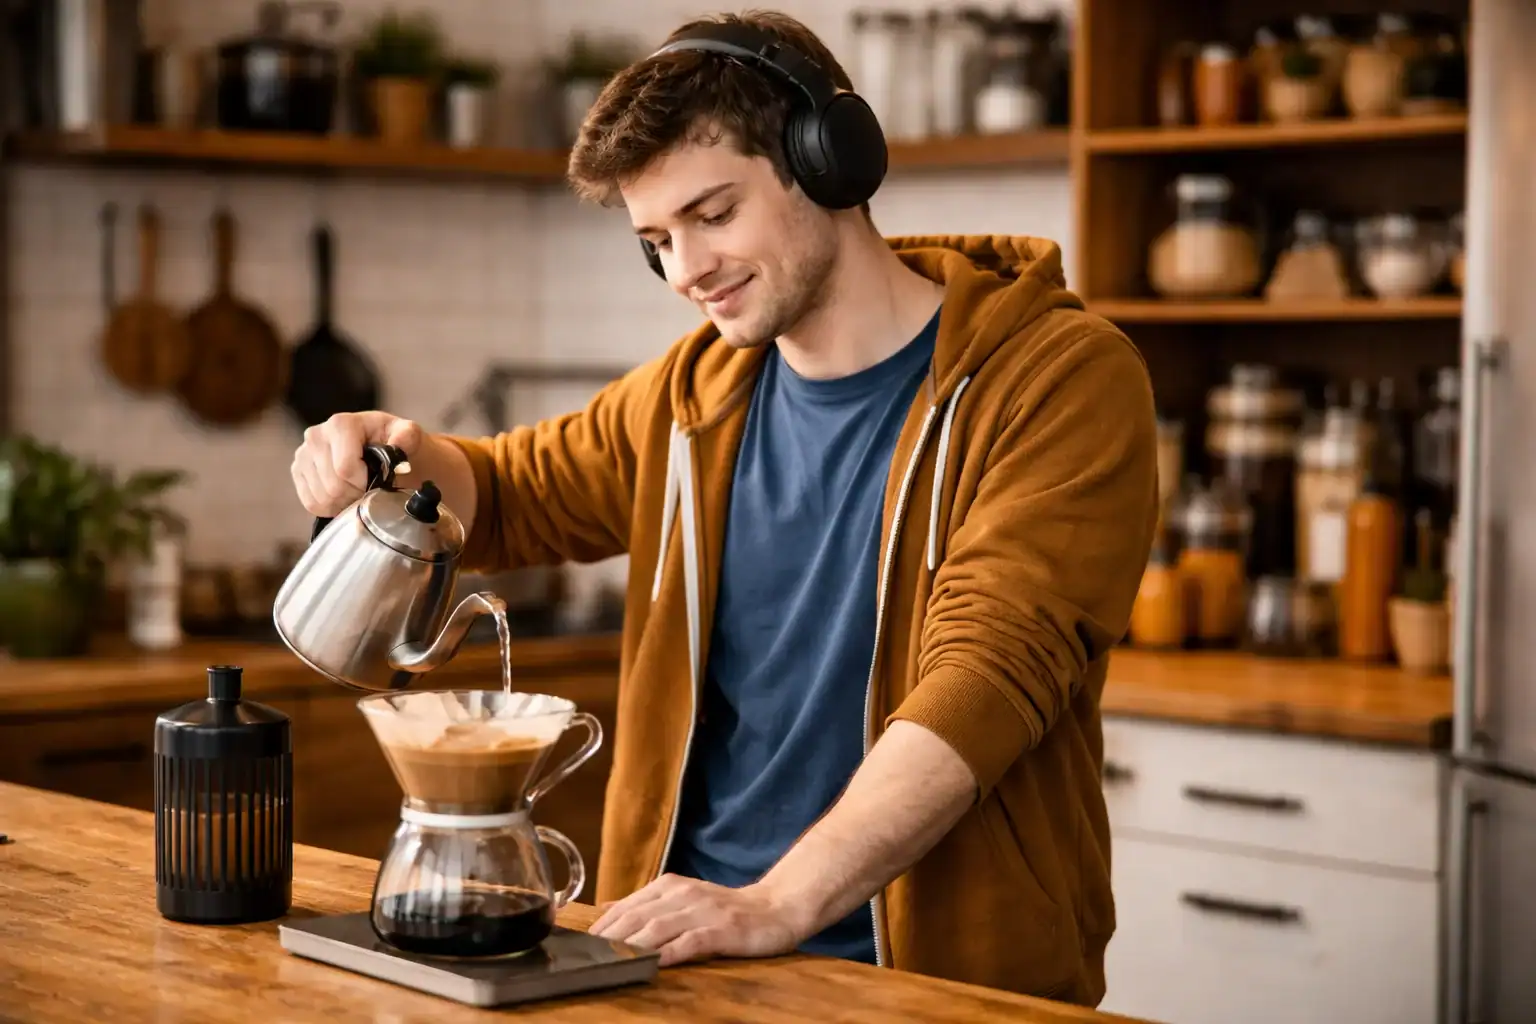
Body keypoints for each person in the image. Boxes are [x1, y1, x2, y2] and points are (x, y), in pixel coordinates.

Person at [289, 9, 1158, 1007]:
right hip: (681, 959)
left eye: (712, 214)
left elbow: (988, 677)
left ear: (828, 161)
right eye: (656, 239)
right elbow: (512, 494)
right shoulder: (693, 394)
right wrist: (399, 453)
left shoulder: (1056, 380)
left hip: (932, 982)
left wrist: (779, 901)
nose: (686, 270)